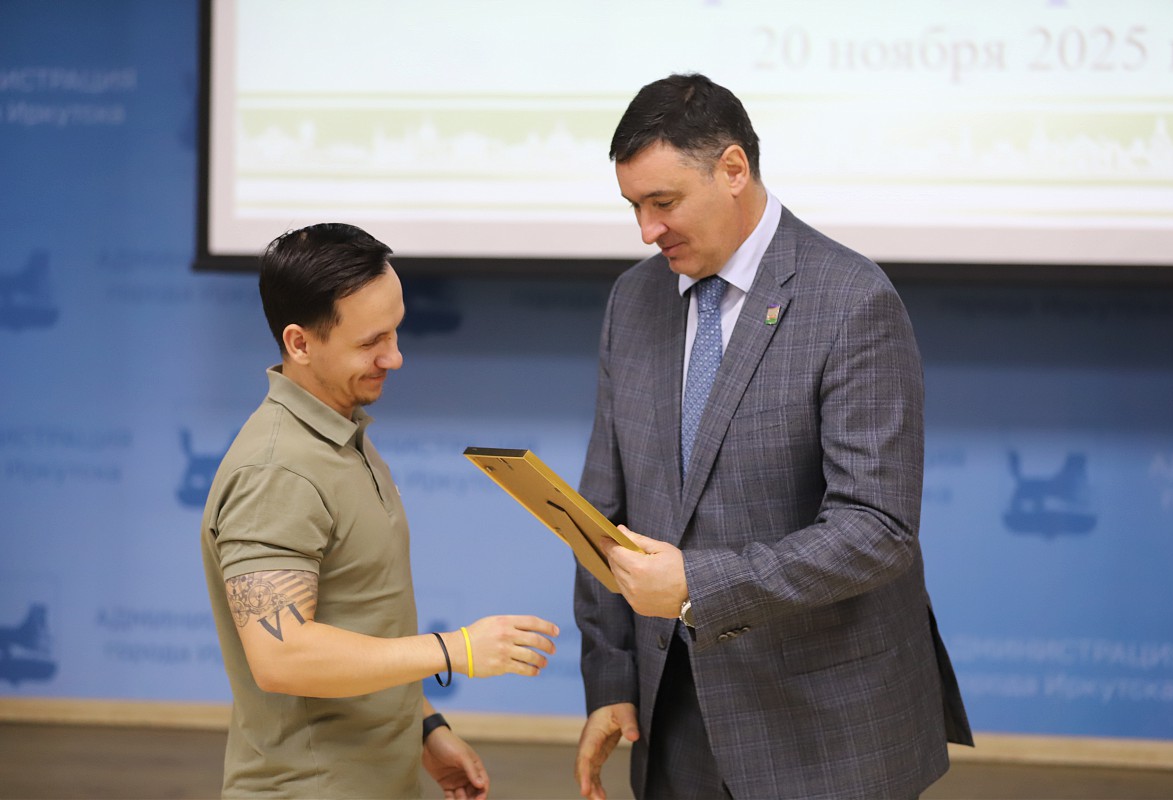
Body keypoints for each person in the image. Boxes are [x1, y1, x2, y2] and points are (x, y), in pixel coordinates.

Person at [572, 74, 973, 800]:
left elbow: (876, 528)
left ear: (733, 169)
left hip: (823, 732)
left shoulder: (851, 301)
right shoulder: (632, 300)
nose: (647, 230)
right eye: (634, 207)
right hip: (675, 722)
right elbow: (601, 511)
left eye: (664, 203)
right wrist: (610, 679)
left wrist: (699, 584)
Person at [200, 222, 559, 799]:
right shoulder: (277, 473)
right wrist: (457, 649)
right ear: (299, 343)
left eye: (395, 331)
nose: (395, 357)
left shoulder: (339, 436)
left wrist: (425, 728)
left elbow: (362, 619)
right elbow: (280, 655)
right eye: (371, 342)